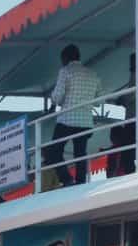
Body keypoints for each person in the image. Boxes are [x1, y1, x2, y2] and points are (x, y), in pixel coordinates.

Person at [43, 44, 101, 186]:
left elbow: (57, 97)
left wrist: (54, 101)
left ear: (66, 58)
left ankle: (67, 179)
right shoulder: (93, 74)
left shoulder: (65, 71)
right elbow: (99, 101)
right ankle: (81, 182)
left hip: (67, 119)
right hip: (85, 122)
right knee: (80, 153)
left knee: (54, 152)